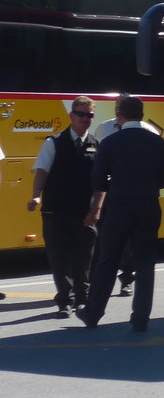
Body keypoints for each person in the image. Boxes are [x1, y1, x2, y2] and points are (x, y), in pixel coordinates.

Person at [76, 95, 164, 333]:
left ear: (120, 116)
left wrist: (118, 186)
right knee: (145, 263)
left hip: (119, 206)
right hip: (149, 206)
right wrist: (147, 186)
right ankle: (140, 319)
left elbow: (98, 178)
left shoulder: (111, 142)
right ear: (141, 115)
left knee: (108, 260)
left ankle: (93, 313)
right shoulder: (156, 142)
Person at [27, 96, 99, 318]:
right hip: (56, 211)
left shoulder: (97, 145)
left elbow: (101, 183)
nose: (85, 119)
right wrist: (36, 196)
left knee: (84, 257)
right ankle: (64, 301)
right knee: (59, 257)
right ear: (71, 116)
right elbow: (42, 171)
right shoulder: (54, 142)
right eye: (80, 114)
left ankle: (82, 298)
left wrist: (96, 210)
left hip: (83, 213)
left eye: (89, 115)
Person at [94, 110, 135, 296]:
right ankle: (98, 283)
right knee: (102, 235)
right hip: (108, 191)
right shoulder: (104, 128)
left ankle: (127, 278)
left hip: (129, 192)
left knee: (128, 240)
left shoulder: (147, 131)